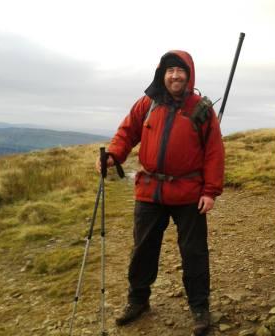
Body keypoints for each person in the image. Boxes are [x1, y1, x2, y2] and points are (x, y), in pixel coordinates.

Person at [96, 50, 224, 335]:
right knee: (143, 249)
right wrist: (113, 156)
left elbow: (215, 152)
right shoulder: (147, 104)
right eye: (170, 71)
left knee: (194, 252)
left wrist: (210, 191)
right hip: (150, 190)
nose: (175, 75)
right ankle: (138, 300)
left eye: (180, 71)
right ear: (162, 74)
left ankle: (200, 308)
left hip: (188, 192)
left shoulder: (201, 108)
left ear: (189, 75)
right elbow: (126, 133)